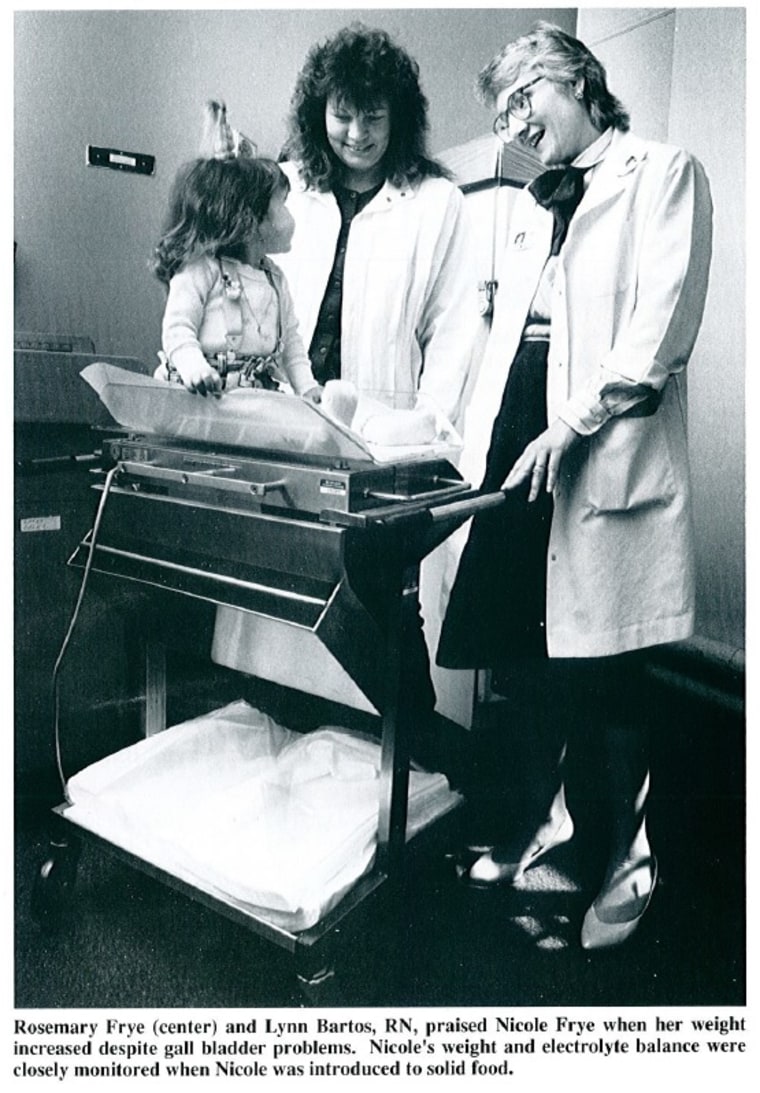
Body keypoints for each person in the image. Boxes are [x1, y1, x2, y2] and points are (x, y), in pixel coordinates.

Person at [437, 22, 712, 949]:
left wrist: (571, 423)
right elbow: (499, 339)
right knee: (532, 656)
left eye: (525, 96)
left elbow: (660, 333)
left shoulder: (664, 172)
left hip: (596, 443)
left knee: (611, 674)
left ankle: (634, 861)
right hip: (523, 440)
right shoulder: (529, 205)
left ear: (580, 81)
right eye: (503, 108)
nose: (515, 122)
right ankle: (554, 832)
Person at [276, 22, 478, 431]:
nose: (356, 134)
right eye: (342, 116)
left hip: (384, 429)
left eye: (373, 118)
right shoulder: (284, 188)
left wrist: (425, 431)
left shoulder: (437, 203)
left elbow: (452, 334)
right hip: (279, 415)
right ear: (319, 114)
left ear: (398, 119)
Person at [151, 100, 321, 403]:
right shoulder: (200, 269)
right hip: (199, 400)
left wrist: (307, 387)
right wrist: (194, 369)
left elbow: (292, 343)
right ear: (248, 221)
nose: (290, 215)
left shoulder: (275, 278)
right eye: (282, 204)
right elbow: (177, 329)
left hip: (253, 400)